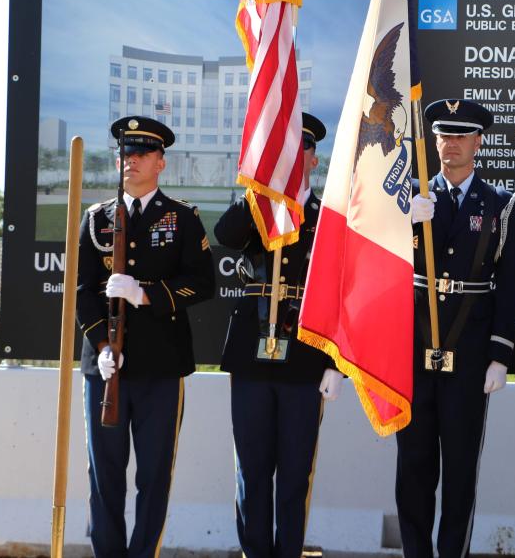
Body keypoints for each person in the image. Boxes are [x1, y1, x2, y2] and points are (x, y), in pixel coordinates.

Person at [76, 115, 216, 558]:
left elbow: (203, 283)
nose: (130, 161)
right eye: (125, 153)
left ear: (161, 163)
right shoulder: (96, 218)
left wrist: (147, 294)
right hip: (105, 371)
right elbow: (82, 292)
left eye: (140, 154)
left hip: (160, 366)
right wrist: (101, 347)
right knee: (105, 475)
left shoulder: (181, 218)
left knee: (154, 475)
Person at [396, 98, 515, 558]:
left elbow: (510, 286)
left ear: (479, 142)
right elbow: (384, 274)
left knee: (459, 468)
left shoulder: (501, 205)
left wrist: (500, 355)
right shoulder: (409, 198)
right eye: (443, 136)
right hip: (414, 349)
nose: (450, 145)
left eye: (460, 136)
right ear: (433, 141)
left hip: (470, 354)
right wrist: (405, 228)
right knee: (413, 466)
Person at [215, 112, 344, 558]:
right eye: (285, 150)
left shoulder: (328, 215)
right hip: (251, 353)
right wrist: (259, 188)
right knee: (251, 469)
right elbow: (225, 235)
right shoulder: (258, 207)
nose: (295, 157)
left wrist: (336, 364)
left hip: (306, 356)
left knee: (294, 473)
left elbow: (343, 292)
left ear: (312, 159)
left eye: (301, 150)